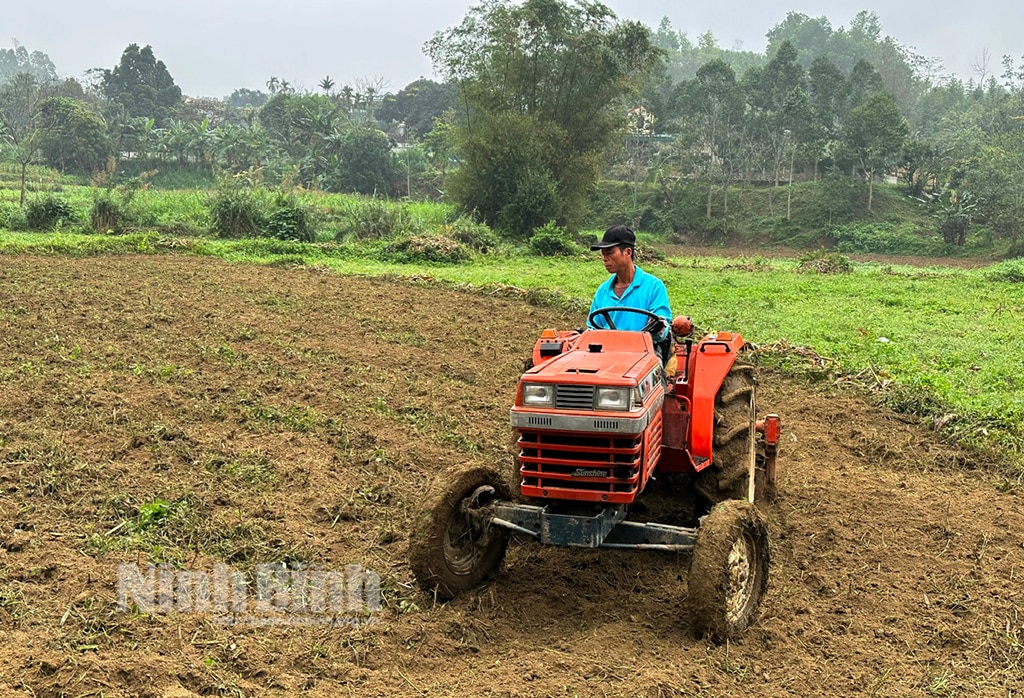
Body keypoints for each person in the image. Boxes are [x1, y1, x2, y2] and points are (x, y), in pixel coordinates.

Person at [588, 225, 672, 361]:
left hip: (644, 354)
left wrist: (659, 326)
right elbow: (592, 328)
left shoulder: (653, 286)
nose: (604, 258)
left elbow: (662, 328)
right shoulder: (603, 291)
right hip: (607, 354)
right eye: (603, 254)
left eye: (609, 253)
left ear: (627, 252)